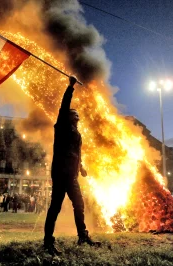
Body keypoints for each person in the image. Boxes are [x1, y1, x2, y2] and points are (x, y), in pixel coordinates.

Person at [44, 76, 100, 256]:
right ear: (67, 117)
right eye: (73, 114)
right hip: (61, 173)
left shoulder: (77, 134)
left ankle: (82, 236)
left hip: (72, 174)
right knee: (56, 206)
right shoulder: (61, 126)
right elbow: (64, 106)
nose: (76, 116)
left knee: (79, 203)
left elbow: (77, 152)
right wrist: (70, 87)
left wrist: (81, 166)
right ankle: (48, 241)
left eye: (77, 115)